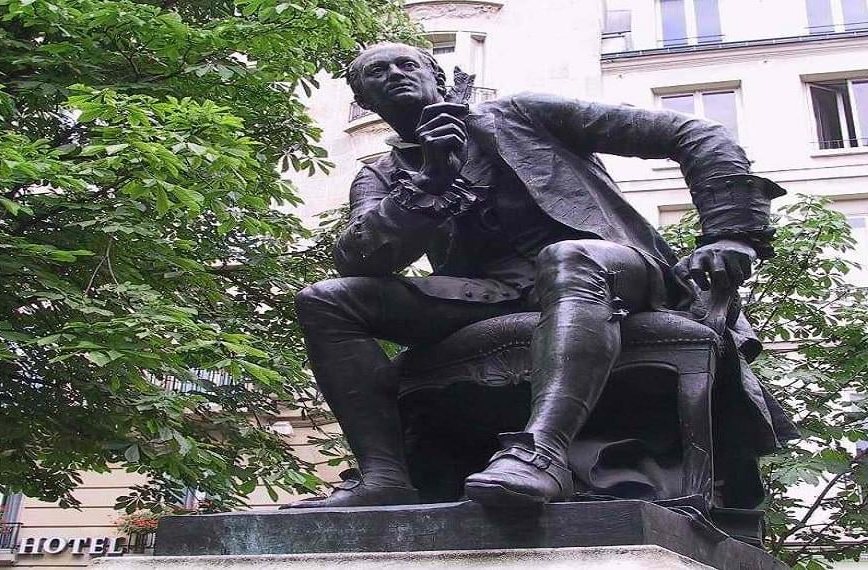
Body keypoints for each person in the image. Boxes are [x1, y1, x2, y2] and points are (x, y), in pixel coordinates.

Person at [288, 42, 793, 509]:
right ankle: (384, 478)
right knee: (326, 299)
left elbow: (694, 133)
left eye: (407, 64)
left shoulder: (522, 114)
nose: (395, 74)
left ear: (436, 77)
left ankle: (542, 452)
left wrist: (732, 234)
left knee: (567, 256)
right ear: (363, 100)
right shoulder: (381, 175)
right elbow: (359, 259)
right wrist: (428, 184)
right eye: (377, 72)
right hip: (490, 294)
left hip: (613, 271)